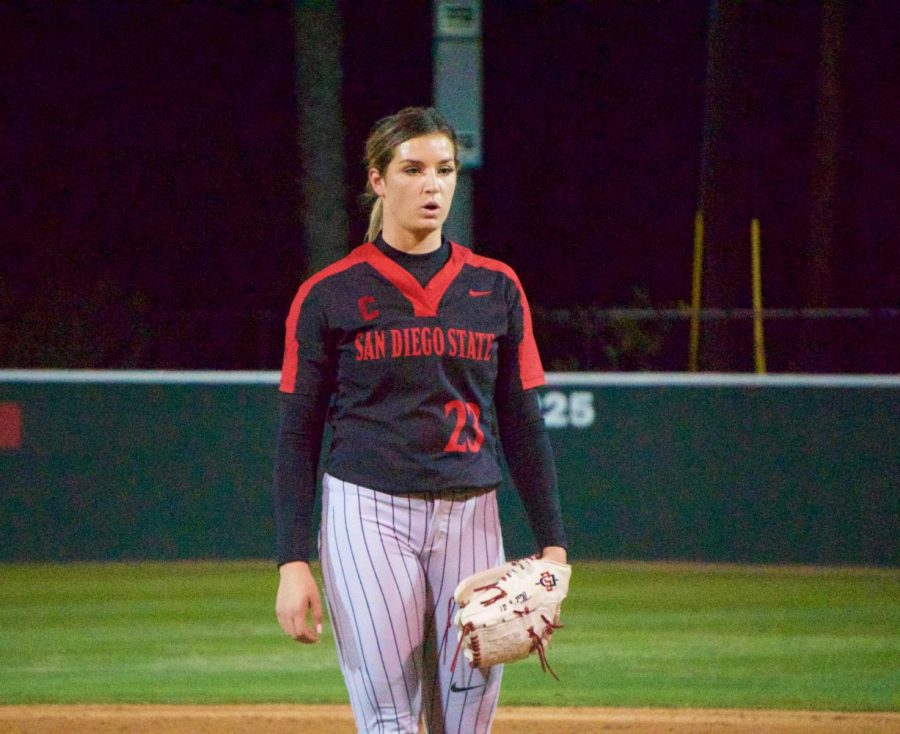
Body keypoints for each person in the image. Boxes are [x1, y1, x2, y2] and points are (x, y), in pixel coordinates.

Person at [273, 106, 567, 734]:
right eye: (412, 169)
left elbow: (521, 420)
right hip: (368, 515)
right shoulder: (329, 292)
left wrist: (554, 542)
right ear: (378, 180)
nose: (432, 184)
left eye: (444, 169)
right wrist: (292, 560)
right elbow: (299, 435)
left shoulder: (497, 287)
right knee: (388, 717)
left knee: (467, 719)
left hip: (472, 515)